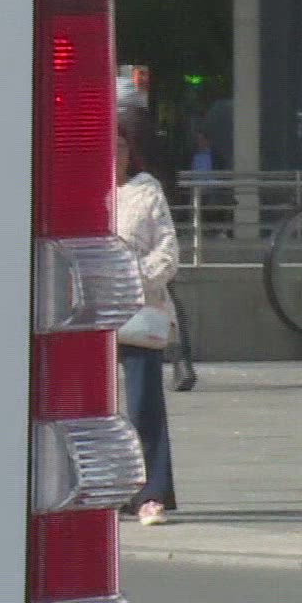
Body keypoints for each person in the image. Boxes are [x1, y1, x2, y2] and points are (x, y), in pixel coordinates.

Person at [116, 111, 180, 526]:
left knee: (144, 402)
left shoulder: (146, 190)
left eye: (121, 146)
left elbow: (168, 251)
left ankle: (151, 491)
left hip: (139, 307)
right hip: (89, 313)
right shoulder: (83, 192)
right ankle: (110, 488)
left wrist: (134, 277)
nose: (114, 154)